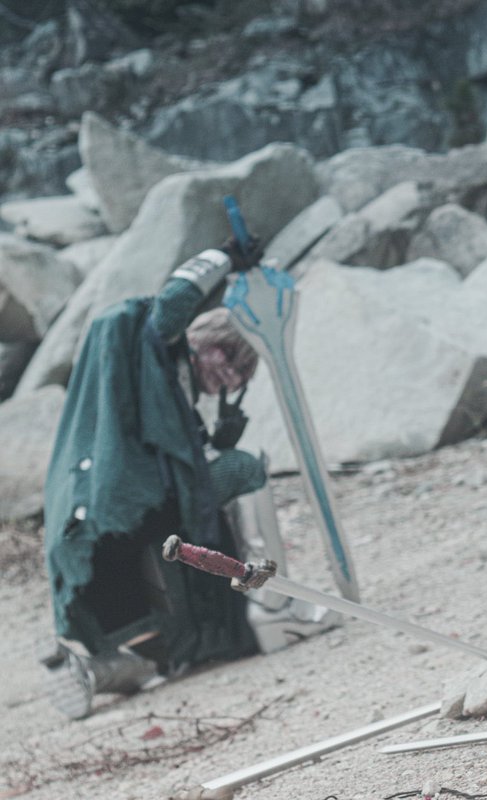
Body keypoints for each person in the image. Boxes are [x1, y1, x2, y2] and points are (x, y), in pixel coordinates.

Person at [40, 240, 330, 720]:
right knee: (243, 469)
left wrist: (215, 437)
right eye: (232, 362)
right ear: (211, 345)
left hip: (125, 509)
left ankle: (105, 669)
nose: (233, 379)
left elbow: (174, 453)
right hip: (131, 503)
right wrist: (224, 256)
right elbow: (174, 302)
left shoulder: (171, 384)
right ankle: (271, 603)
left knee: (155, 649)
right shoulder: (158, 347)